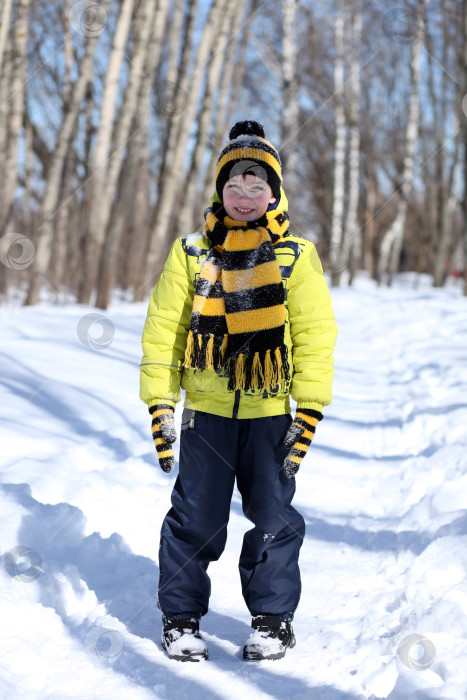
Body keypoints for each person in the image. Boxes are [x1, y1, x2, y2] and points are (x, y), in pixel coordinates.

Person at [140, 120, 337, 662]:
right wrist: (161, 400)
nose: (244, 196)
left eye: (257, 186)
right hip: (205, 413)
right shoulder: (192, 252)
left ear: (274, 193)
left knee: (274, 518)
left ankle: (272, 620)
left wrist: (311, 409)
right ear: (219, 191)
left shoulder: (297, 254)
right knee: (196, 519)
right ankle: (180, 618)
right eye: (234, 185)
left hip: (271, 412)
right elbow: (166, 330)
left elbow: (315, 336)